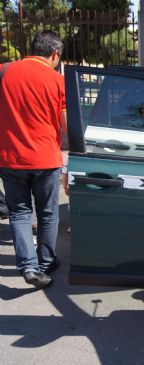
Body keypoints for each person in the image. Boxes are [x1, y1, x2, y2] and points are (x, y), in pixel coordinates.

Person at [0, 31, 66, 289]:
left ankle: (28, 266)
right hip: (45, 157)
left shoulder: (4, 72)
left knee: (19, 212)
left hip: (10, 157)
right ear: (55, 53)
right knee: (48, 213)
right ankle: (46, 261)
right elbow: (65, 124)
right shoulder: (56, 81)